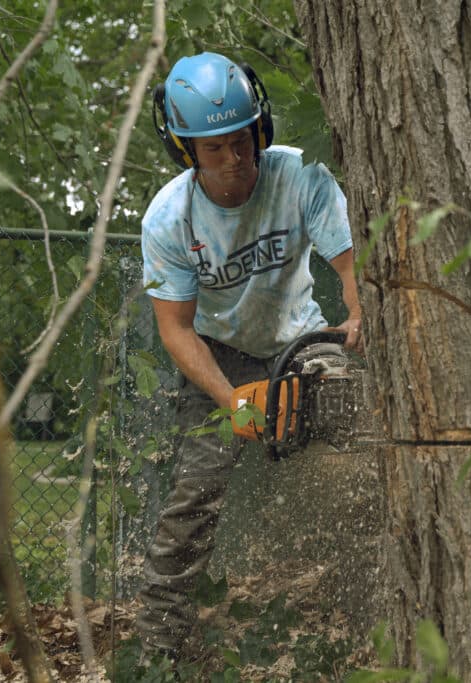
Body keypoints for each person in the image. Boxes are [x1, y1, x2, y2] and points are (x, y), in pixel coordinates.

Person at [135, 51, 363, 659]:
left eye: (243, 141)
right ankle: (161, 645)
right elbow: (176, 329)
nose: (234, 159)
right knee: (195, 491)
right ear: (186, 151)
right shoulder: (168, 219)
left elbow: (350, 265)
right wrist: (230, 398)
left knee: (369, 447)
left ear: (260, 131)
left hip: (304, 339)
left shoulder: (300, 175)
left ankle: (374, 605)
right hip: (220, 353)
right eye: (215, 148)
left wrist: (361, 310)